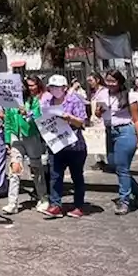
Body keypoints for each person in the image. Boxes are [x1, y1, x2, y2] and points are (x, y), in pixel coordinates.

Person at [39, 74, 88, 218]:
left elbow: (82, 122)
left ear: (64, 88)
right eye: (51, 87)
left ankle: (79, 205)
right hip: (56, 144)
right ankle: (56, 205)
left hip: (74, 144)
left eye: (56, 87)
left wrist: (70, 118)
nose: (53, 90)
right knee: (55, 175)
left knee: (77, 176)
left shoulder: (75, 100)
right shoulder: (48, 101)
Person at [2, 75, 48, 214]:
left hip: (31, 137)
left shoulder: (33, 101)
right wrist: (7, 140)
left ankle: (43, 198)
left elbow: (38, 117)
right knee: (14, 170)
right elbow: (8, 122)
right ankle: (12, 203)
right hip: (16, 139)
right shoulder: (10, 104)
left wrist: (26, 113)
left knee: (36, 169)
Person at [103, 70, 138, 215]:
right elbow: (99, 114)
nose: (110, 84)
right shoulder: (104, 95)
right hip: (110, 131)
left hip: (125, 132)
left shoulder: (129, 96)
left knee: (122, 168)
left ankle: (124, 201)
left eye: (113, 81)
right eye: (108, 80)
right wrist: (98, 111)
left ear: (120, 82)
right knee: (113, 164)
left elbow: (137, 119)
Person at [87, 72, 111, 171]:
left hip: (102, 119)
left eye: (91, 80)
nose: (89, 83)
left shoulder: (104, 91)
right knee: (96, 141)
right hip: (95, 119)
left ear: (97, 80)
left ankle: (108, 161)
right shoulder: (93, 92)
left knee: (103, 141)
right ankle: (99, 161)